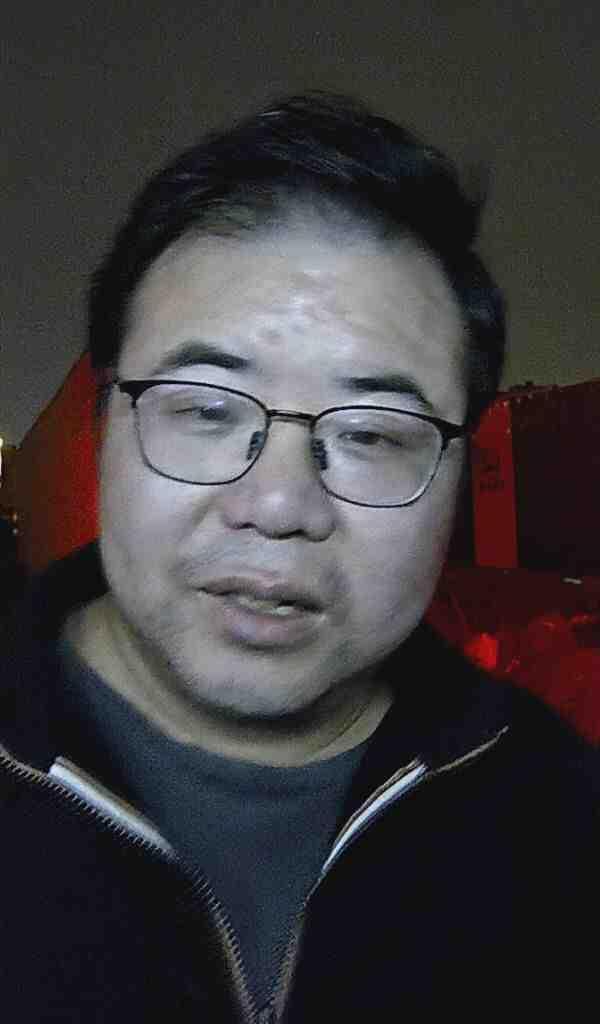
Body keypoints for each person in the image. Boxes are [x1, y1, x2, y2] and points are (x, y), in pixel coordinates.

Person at [1, 93, 598, 1022]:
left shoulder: (559, 819)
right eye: (206, 409)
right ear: (103, 422)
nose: (278, 506)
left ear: (457, 476)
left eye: (371, 433)